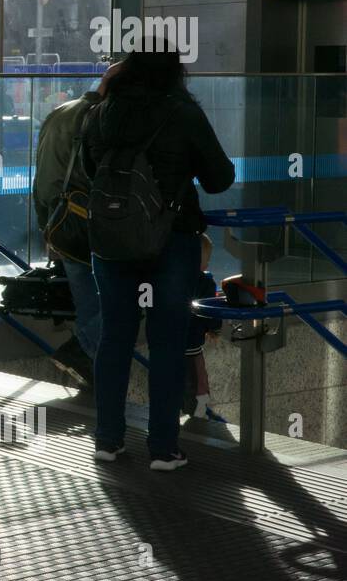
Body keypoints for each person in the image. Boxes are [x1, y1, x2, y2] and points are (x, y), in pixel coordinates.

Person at [82, 43, 235, 471]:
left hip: (111, 241)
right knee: (168, 340)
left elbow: (91, 171)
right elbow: (220, 177)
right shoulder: (181, 112)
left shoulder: (100, 113)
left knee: (115, 337)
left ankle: (108, 440)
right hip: (172, 238)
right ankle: (163, 448)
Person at [32, 61, 124, 386]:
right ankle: (90, 362)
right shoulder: (108, 121)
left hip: (63, 225)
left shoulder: (60, 112)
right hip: (98, 227)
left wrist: (47, 225)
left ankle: (91, 368)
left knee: (90, 304)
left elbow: (42, 174)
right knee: (118, 307)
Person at [183, 233, 225, 422]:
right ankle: (199, 404)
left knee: (182, 375)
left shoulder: (174, 278)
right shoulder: (206, 282)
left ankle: (190, 403)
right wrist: (214, 330)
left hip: (173, 338)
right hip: (193, 340)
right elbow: (212, 310)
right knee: (196, 373)